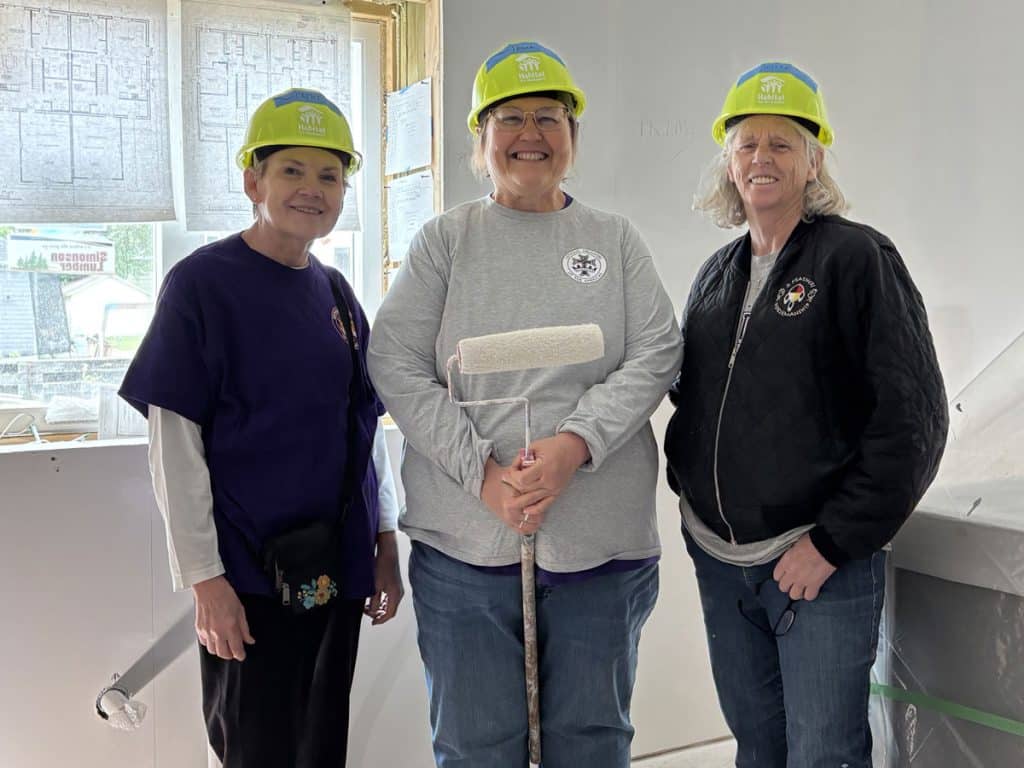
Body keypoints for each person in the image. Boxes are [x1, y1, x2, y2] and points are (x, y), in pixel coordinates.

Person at [367, 41, 681, 768]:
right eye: (510, 118)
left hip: (599, 549)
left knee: (593, 744)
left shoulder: (614, 240)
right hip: (464, 551)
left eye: (549, 117)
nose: (531, 134)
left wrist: (574, 446)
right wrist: (483, 473)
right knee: (477, 748)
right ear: (481, 140)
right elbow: (395, 361)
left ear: (574, 137)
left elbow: (658, 351)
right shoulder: (446, 243)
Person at [664, 62, 949, 767]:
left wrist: (832, 543)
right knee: (758, 747)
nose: (762, 158)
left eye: (783, 144)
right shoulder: (716, 274)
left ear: (814, 160)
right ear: (728, 162)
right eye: (747, 143)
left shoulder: (856, 258)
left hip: (816, 564)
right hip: (723, 564)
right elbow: (699, 399)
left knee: (822, 753)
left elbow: (913, 421)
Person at [118, 87, 403, 768]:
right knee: (252, 745)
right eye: (292, 170)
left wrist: (384, 538)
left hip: (334, 567)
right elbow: (175, 445)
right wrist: (204, 582)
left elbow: (363, 432)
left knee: (318, 742)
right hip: (247, 574)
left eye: (330, 175)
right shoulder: (202, 286)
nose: (313, 189)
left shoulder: (336, 294)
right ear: (254, 180)